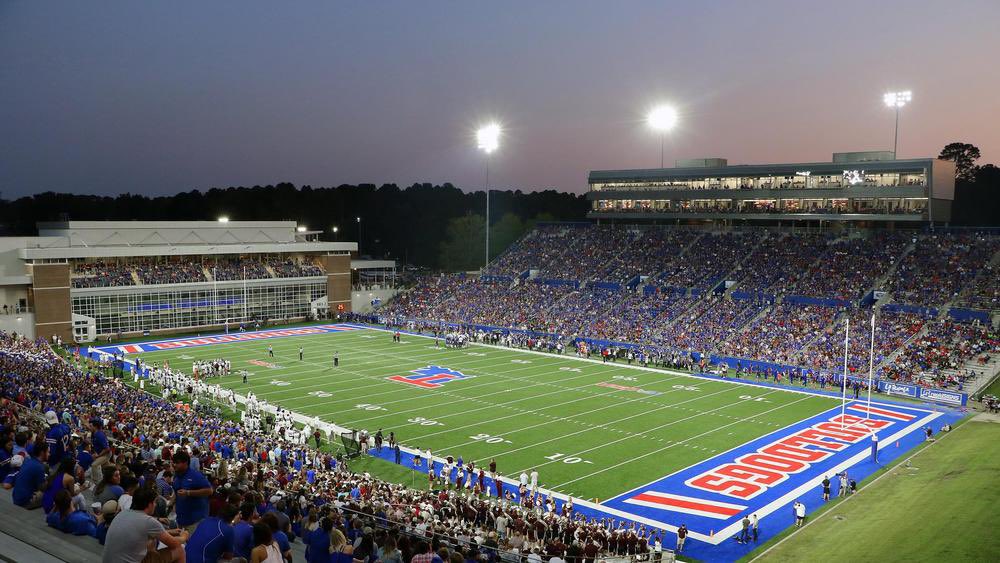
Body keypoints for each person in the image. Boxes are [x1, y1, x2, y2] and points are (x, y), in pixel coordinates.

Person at [103, 487, 188, 563]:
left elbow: (141, 532)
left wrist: (169, 532)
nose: (155, 505)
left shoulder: (122, 513)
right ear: (149, 504)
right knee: (179, 550)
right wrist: (184, 536)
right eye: (154, 502)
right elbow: (174, 544)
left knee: (151, 543)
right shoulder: (149, 521)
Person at [172, 450, 214, 530]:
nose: (174, 465)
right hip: (181, 518)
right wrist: (172, 503)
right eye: (173, 462)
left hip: (195, 520)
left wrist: (188, 493)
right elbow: (176, 492)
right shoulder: (176, 476)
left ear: (185, 463)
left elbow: (209, 491)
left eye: (177, 463)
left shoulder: (196, 475)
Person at [12, 440, 48, 509]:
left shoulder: (27, 460)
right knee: (51, 493)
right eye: (48, 452)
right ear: (42, 453)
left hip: (16, 497)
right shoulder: (39, 467)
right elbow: (42, 488)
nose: (49, 454)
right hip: (25, 502)